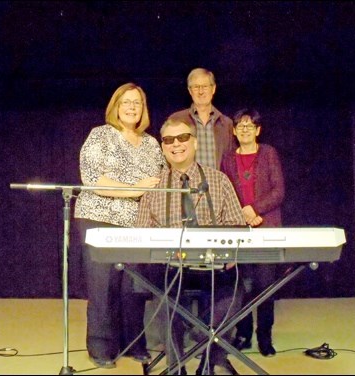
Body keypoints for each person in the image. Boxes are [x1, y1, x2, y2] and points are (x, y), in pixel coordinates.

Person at [135, 118, 254, 375]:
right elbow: (141, 236)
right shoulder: (154, 189)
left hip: (215, 266)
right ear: (163, 147)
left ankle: (210, 361)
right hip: (171, 267)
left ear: (195, 142)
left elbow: (236, 226)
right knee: (166, 296)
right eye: (168, 140)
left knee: (233, 289)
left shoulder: (219, 180)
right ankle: (176, 366)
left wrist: (229, 254)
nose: (176, 144)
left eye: (183, 138)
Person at [74, 82, 166, 368]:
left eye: (137, 103)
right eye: (125, 102)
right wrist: (136, 189)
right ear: (115, 106)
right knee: (103, 286)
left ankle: (133, 343)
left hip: (138, 224)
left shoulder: (151, 144)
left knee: (134, 287)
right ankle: (101, 347)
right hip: (98, 216)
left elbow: (162, 181)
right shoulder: (100, 136)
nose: (131, 107)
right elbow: (95, 181)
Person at [220, 108, 285, 357]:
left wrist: (254, 210)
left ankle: (265, 337)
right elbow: (224, 193)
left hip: (266, 226)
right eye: (240, 125)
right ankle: (243, 334)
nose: (245, 129)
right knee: (241, 284)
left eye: (250, 125)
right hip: (238, 228)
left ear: (258, 130)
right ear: (234, 131)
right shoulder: (227, 158)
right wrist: (243, 214)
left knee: (265, 285)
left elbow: (278, 191)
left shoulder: (268, 153)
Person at [168, 67, 235, 169]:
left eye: (205, 86)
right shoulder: (177, 120)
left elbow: (233, 163)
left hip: (218, 183)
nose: (201, 92)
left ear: (213, 89)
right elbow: (168, 156)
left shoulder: (226, 124)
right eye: (196, 87)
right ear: (190, 91)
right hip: (186, 184)